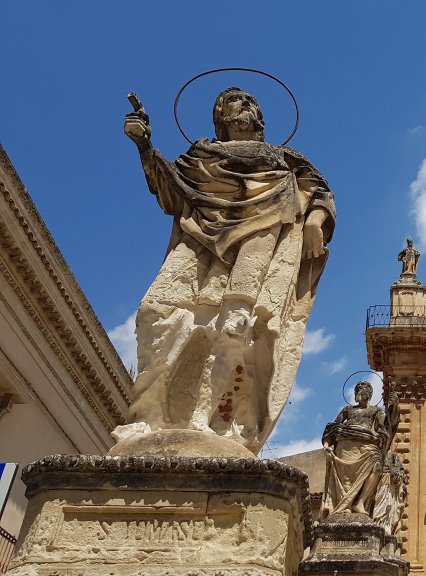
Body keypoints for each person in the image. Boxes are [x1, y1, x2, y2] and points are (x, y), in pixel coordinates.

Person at [117, 87, 335, 452]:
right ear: (221, 115)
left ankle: (207, 421)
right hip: (200, 234)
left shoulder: (283, 158)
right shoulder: (200, 157)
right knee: (155, 311)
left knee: (235, 328)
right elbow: (170, 195)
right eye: (235, 99)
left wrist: (315, 220)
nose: (246, 104)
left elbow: (319, 191)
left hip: (262, 234)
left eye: (252, 101)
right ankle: (148, 413)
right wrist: (143, 145)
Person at [321, 382, 399, 518]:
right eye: (358, 390)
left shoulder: (376, 410)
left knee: (377, 467)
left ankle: (360, 502)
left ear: (369, 394)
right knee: (346, 478)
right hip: (346, 445)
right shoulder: (348, 409)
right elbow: (332, 428)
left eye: (363, 390)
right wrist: (327, 446)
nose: (360, 393)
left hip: (368, 445)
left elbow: (388, 425)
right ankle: (345, 506)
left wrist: (394, 406)